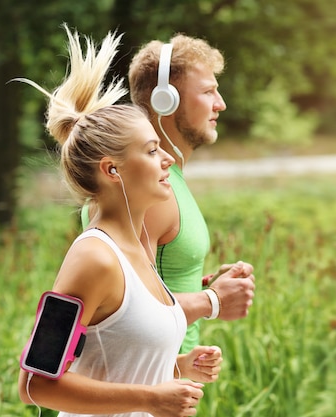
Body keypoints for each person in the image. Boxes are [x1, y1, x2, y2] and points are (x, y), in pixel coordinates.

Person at [15, 25, 222, 417]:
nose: (166, 160)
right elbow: (35, 383)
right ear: (113, 170)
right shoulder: (93, 258)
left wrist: (178, 366)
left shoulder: (140, 254)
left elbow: (114, 359)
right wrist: (151, 399)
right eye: (151, 150)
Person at [82, 34, 256, 353]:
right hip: (147, 389)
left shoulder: (163, 179)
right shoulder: (148, 191)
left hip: (166, 383)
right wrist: (213, 301)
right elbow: (128, 307)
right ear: (166, 100)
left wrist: (196, 281)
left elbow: (151, 283)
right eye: (207, 91)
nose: (221, 104)